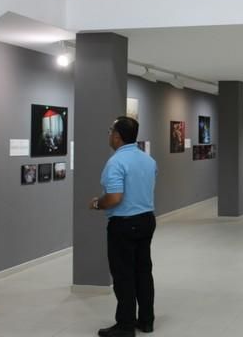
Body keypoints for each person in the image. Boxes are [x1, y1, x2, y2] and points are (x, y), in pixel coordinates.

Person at [90, 117, 157, 337]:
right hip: (146, 220)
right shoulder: (148, 160)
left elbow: (115, 198)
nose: (109, 134)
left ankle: (125, 326)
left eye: (111, 130)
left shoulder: (116, 163)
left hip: (124, 225)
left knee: (124, 275)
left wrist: (98, 204)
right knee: (143, 272)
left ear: (117, 136)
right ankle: (146, 321)